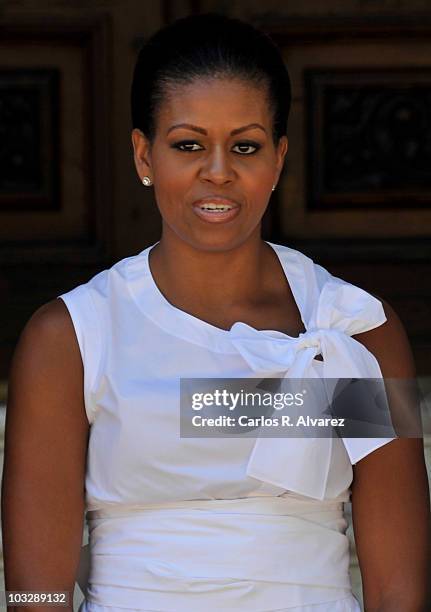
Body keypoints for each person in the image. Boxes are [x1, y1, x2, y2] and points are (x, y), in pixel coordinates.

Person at [2, 12, 430, 612]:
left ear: (278, 159)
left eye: (246, 145)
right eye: (188, 144)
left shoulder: (354, 328)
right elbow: (35, 596)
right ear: (144, 155)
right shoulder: (70, 339)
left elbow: (399, 591)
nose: (219, 171)